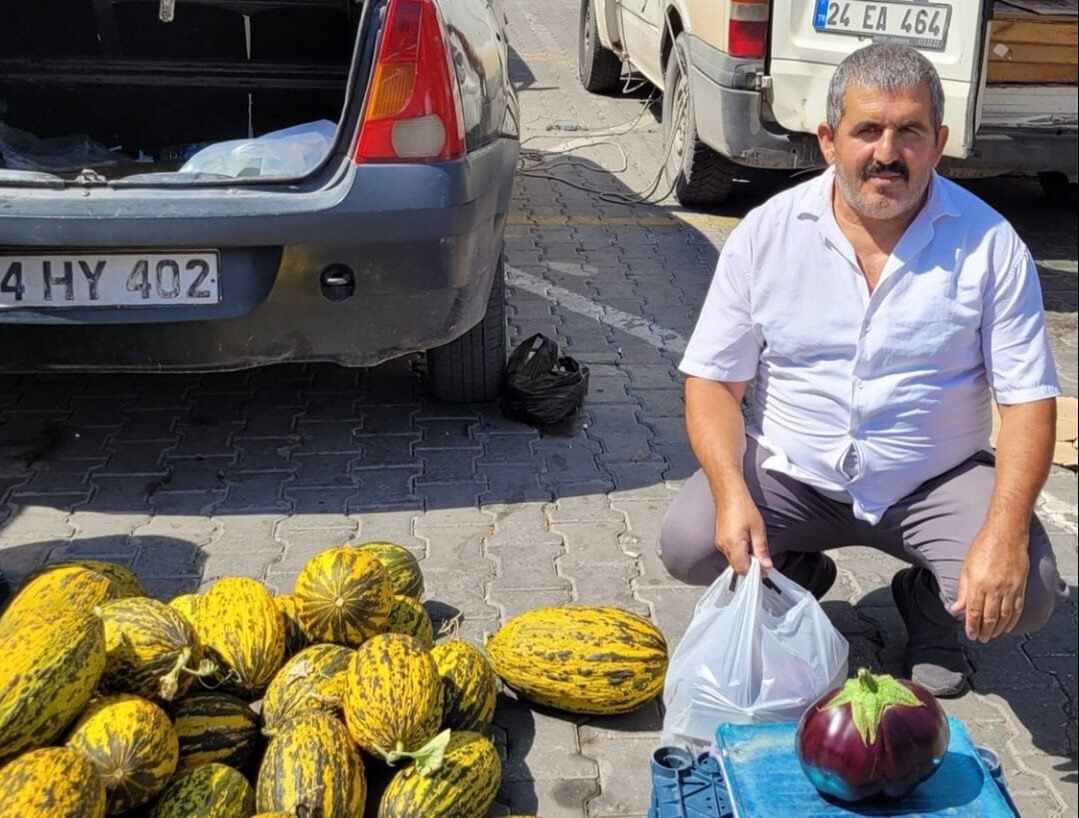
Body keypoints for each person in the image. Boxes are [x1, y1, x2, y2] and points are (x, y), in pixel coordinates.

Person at [658, 42, 1067, 697]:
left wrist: (1002, 533)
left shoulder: (989, 245)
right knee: (688, 542)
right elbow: (712, 382)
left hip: (932, 479)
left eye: (908, 131)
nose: (886, 151)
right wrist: (732, 495)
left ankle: (931, 602)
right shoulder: (766, 236)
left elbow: (1026, 403)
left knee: (1034, 590)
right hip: (796, 472)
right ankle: (792, 575)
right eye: (866, 130)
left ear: (937, 143)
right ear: (827, 140)